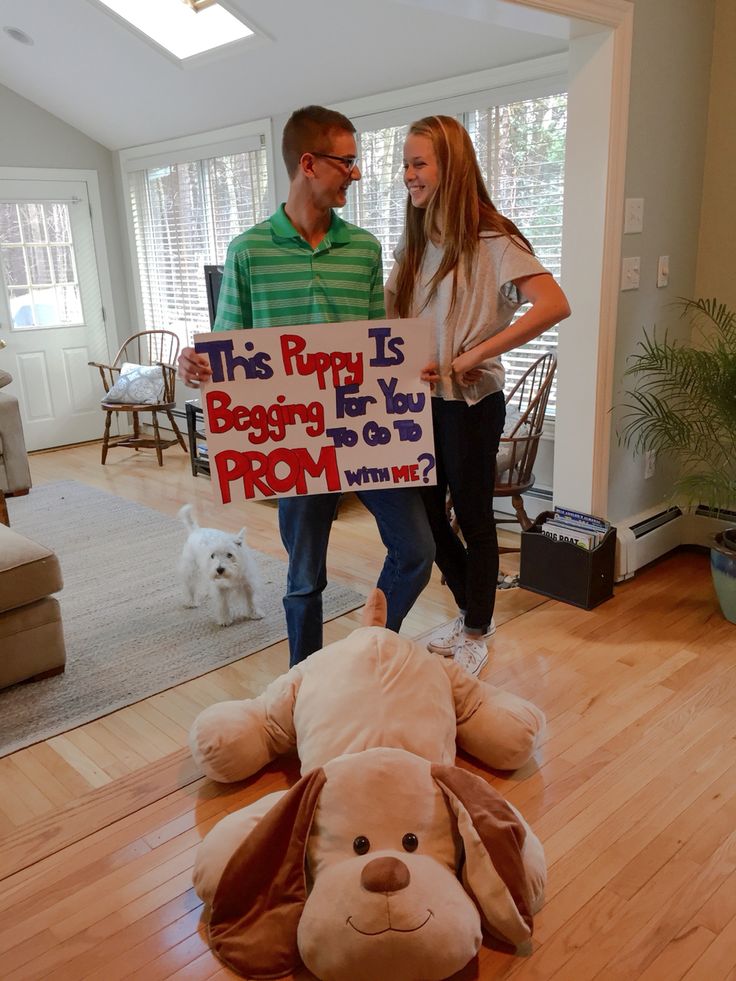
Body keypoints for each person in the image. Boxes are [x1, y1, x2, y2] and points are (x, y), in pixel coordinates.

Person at [178, 105, 434, 667]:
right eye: (348, 162)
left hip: (367, 431)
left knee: (416, 549)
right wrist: (194, 366)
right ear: (310, 163)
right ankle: (303, 685)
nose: (358, 173)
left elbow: (376, 340)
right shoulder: (248, 251)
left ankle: (361, 657)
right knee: (303, 578)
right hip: (293, 439)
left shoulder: (364, 249)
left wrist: (409, 368)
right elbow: (227, 349)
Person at [385, 115, 570, 677]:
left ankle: (474, 626)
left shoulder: (494, 237)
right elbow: (392, 310)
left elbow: (553, 304)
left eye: (419, 164)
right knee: (422, 514)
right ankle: (475, 607)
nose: (408, 176)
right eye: (405, 164)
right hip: (418, 401)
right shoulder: (416, 240)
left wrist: (471, 354)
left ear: (451, 166)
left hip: (470, 402)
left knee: (471, 514)